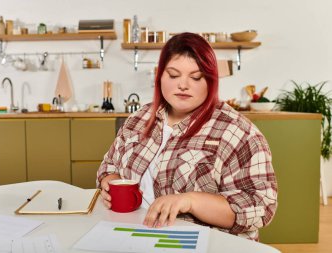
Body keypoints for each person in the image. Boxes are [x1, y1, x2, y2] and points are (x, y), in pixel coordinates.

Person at [97, 32, 277, 241]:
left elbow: (260, 207)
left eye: (196, 77)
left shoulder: (238, 132)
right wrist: (110, 182)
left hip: (203, 243)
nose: (183, 85)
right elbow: (109, 165)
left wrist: (190, 201)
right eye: (173, 75)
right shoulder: (139, 118)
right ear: (160, 77)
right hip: (135, 236)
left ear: (210, 80)